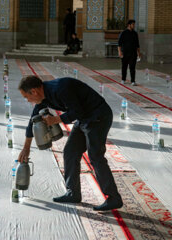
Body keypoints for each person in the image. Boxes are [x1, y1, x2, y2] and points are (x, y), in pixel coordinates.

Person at [18, 76, 123, 211]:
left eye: (26, 97)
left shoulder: (60, 89)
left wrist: (56, 119)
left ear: (34, 91)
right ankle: (73, 193)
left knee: (96, 156)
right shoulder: (43, 98)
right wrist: (26, 148)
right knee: (70, 152)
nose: (28, 100)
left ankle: (114, 198)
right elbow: (32, 122)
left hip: (98, 116)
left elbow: (78, 111)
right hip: (84, 118)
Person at [118, 19, 141, 86]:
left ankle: (133, 81)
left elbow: (137, 44)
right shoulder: (123, 33)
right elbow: (119, 44)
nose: (134, 26)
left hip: (133, 53)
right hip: (125, 53)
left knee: (132, 67)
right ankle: (123, 79)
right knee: (124, 67)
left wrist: (139, 53)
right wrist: (120, 52)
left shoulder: (135, 33)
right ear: (129, 25)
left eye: (134, 24)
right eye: (133, 24)